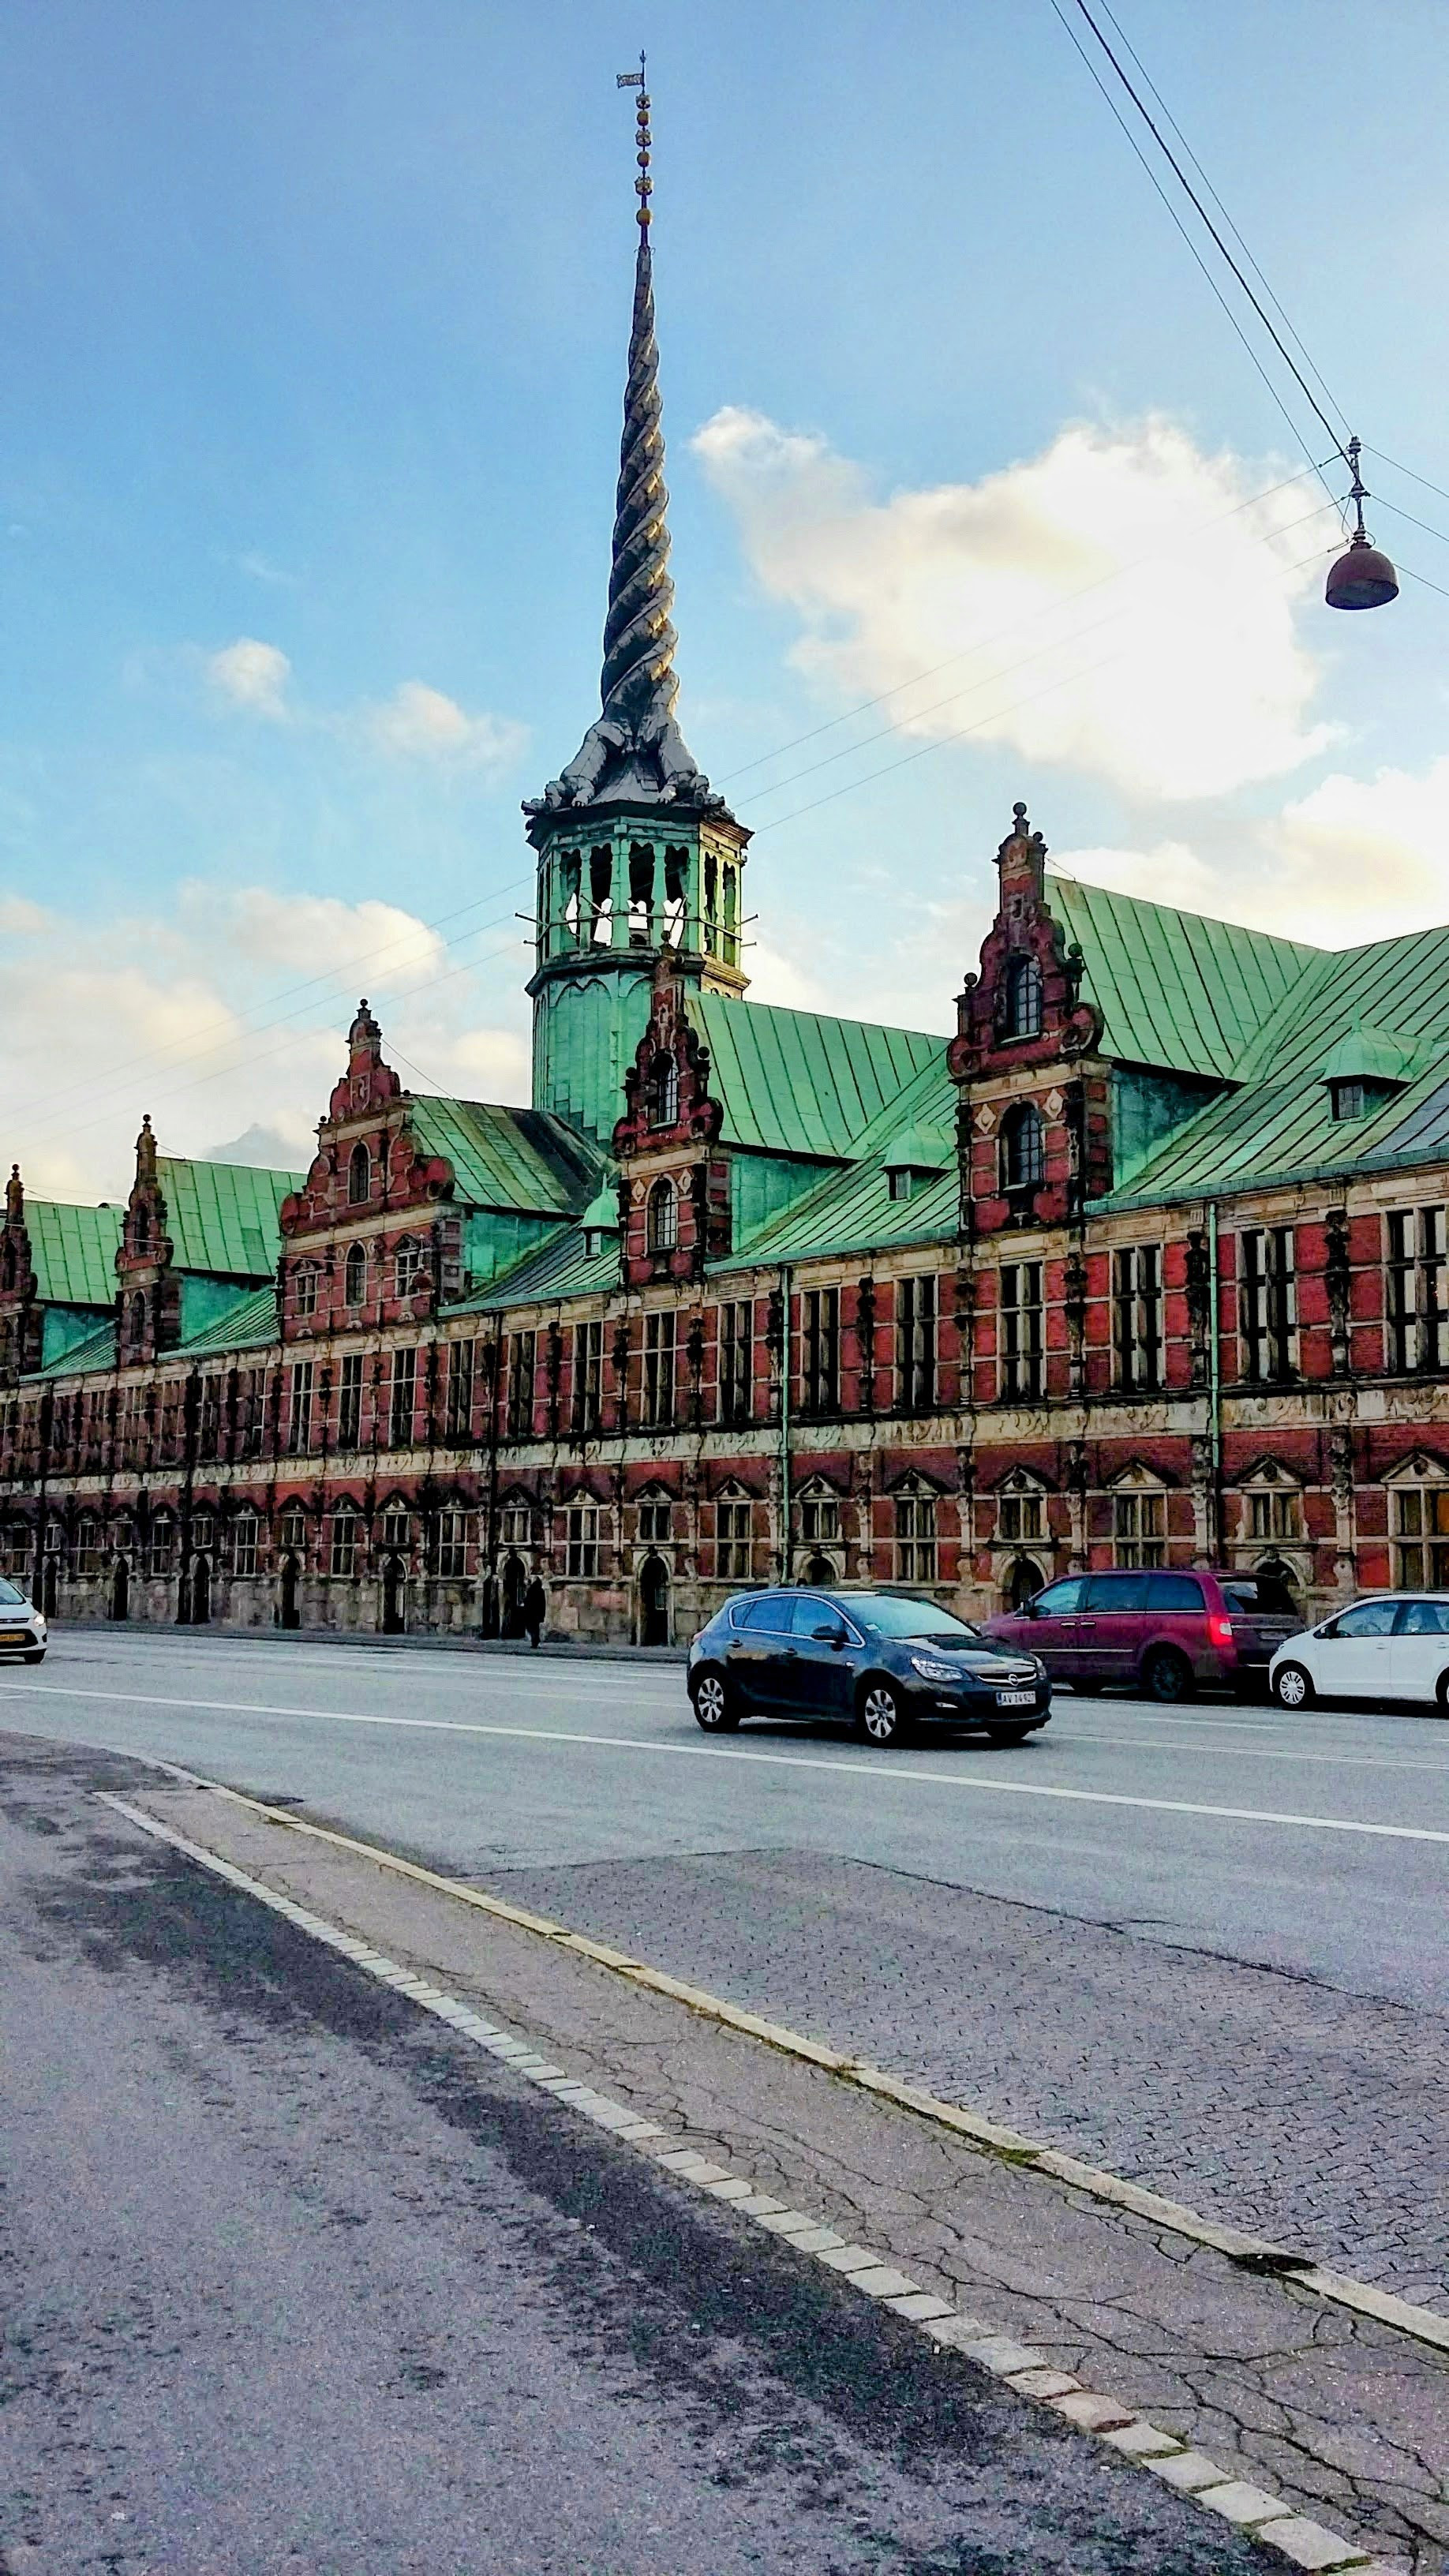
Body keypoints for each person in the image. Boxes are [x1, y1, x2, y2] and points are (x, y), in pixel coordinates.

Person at [523, 1574, 546, 1650]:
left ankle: (535, 1640)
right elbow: (543, 1604)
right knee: (536, 1628)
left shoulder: (531, 1590)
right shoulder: (541, 1591)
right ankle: (535, 1640)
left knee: (531, 1627)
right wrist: (542, 1614)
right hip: (537, 1614)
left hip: (530, 1613)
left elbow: (528, 1601)